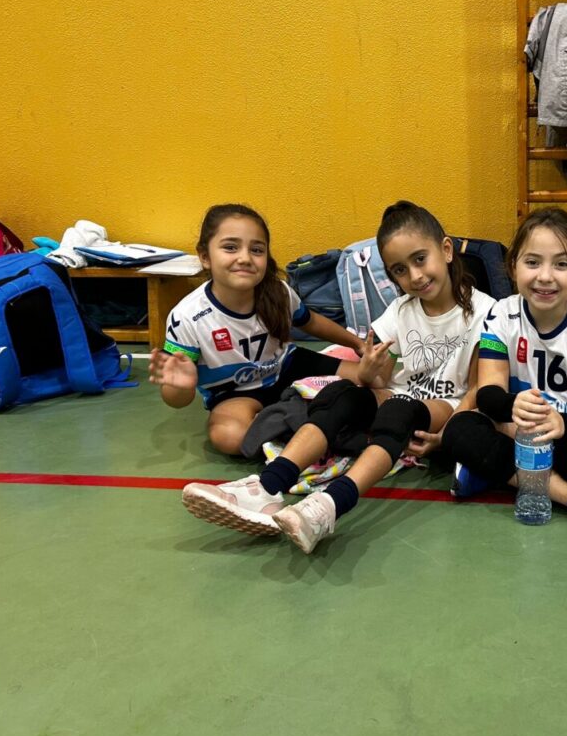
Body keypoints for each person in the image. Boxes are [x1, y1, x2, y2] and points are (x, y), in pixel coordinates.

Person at [181, 200, 496, 548]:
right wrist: (369, 372)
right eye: (400, 271)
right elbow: (378, 380)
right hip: (401, 392)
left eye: (420, 260)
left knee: (399, 409)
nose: (415, 276)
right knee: (343, 393)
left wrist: (449, 434)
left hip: (444, 405)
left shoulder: (485, 311)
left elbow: (479, 387)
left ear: (447, 250)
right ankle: (267, 486)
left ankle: (329, 505)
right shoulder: (400, 310)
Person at [441, 207, 567, 536]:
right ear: (513, 266)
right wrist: (512, 405)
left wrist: (565, 425)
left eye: (561, 264)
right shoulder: (501, 314)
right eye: (533, 262)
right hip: (521, 433)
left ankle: (494, 472)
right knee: (459, 429)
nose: (545, 276)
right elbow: (488, 392)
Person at [149, 203, 365, 459]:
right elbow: (176, 400)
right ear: (205, 256)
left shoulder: (279, 292)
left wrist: (357, 344)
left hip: (287, 367)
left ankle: (295, 417)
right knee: (229, 437)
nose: (244, 257)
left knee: (371, 380)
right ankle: (305, 420)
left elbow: (311, 322)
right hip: (234, 393)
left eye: (257, 250)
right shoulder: (186, 316)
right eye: (230, 247)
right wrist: (181, 386)